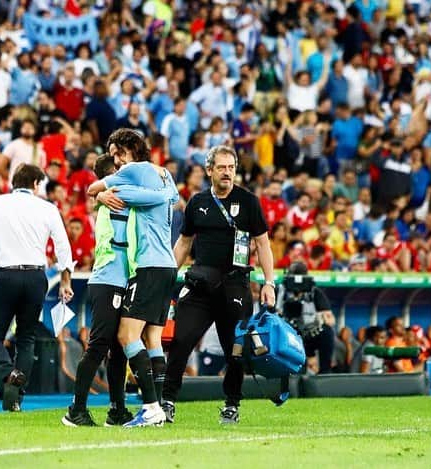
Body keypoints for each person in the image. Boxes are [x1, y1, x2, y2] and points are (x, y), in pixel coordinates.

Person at [162, 145, 276, 425]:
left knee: (235, 350)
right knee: (180, 342)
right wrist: (165, 278)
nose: (227, 173)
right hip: (199, 285)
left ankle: (232, 404)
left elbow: (262, 243)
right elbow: (184, 243)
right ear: (209, 170)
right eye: (222, 167)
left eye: (231, 167)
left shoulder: (249, 202)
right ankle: (166, 402)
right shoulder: (197, 202)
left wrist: (269, 282)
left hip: (235, 286)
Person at [62, 154, 175, 427]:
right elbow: (151, 199)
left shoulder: (116, 199)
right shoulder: (116, 199)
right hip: (108, 280)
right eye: (121, 171)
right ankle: (75, 410)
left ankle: (117, 409)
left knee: (118, 348)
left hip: (123, 279)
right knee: (99, 346)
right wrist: (100, 195)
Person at [0, 163, 74, 412]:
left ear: (14, 182)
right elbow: (63, 247)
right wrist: (65, 280)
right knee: (26, 339)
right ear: (35, 184)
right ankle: (16, 397)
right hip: (36, 278)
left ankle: (9, 373)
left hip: (6, 276)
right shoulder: (47, 208)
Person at [87, 128, 179, 427]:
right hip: (168, 265)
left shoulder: (134, 170)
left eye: (117, 153)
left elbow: (94, 188)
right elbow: (169, 198)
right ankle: (163, 406)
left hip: (149, 266)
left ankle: (151, 408)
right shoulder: (165, 175)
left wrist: (102, 194)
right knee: (152, 337)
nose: (115, 160)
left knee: (126, 336)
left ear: (130, 149)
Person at [278, 261, 335, 374]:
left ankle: (325, 373)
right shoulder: (281, 290)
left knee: (327, 332)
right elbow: (274, 312)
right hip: (289, 334)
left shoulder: (313, 292)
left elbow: (331, 319)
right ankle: (292, 373)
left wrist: (322, 319)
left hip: (310, 332)